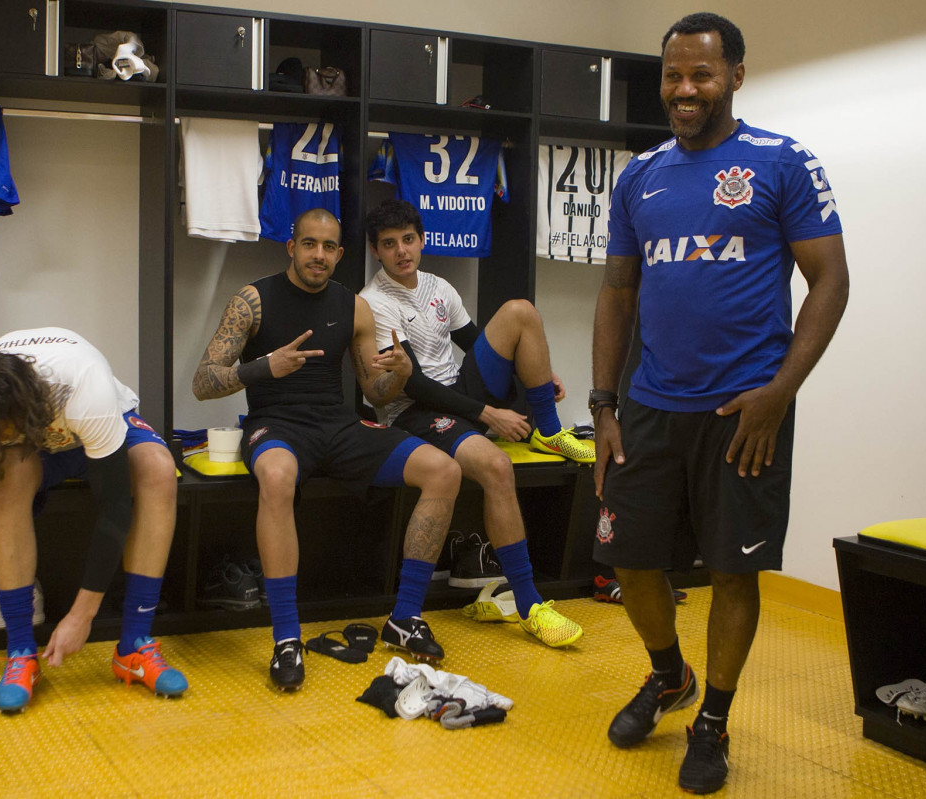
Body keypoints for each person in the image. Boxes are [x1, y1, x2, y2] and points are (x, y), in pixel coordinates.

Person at [591, 13, 849, 794]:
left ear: (736, 74)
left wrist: (779, 393)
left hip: (746, 415)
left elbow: (829, 283)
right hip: (649, 406)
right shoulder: (640, 175)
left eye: (701, 74)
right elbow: (617, 291)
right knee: (629, 561)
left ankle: (713, 722)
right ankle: (670, 676)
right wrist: (603, 404)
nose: (684, 90)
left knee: (734, 575)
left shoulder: (782, 162)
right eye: (673, 75)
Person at [192, 208, 462, 692]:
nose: (319, 255)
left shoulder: (354, 306)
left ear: (340, 254)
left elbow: (375, 392)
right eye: (310, 244)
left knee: (443, 470)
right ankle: (286, 638)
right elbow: (203, 382)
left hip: (338, 426)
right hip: (276, 424)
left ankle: (404, 617)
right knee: (276, 477)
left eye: (329, 247)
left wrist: (399, 374)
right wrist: (263, 368)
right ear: (291, 247)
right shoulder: (253, 300)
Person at [360, 198, 586, 648]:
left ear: (422, 240)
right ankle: (530, 605)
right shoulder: (373, 303)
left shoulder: (440, 286)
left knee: (520, 311)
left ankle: (550, 430)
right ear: (376, 251)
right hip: (418, 412)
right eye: (389, 244)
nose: (402, 251)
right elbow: (415, 384)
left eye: (409, 239)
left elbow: (475, 342)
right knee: (498, 467)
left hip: (459, 394)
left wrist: (534, 373)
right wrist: (487, 414)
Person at [0, 328, 188, 713]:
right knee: (8, 477)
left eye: (5, 434)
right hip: (33, 443)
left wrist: (81, 615)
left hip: (87, 421)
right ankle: (21, 651)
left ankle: (134, 646)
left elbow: (115, 506)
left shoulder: (84, 385)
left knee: (157, 469)